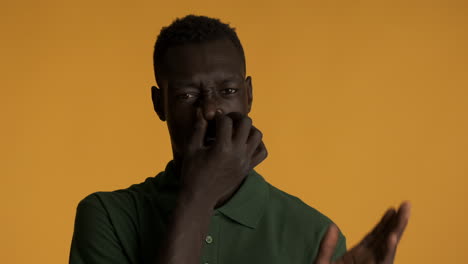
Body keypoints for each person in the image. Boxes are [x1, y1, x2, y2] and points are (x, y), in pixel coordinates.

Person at [69, 14, 411, 264]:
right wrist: (199, 196)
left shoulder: (314, 234)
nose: (211, 110)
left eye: (228, 91)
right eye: (188, 96)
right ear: (160, 104)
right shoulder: (108, 218)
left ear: (248, 95)